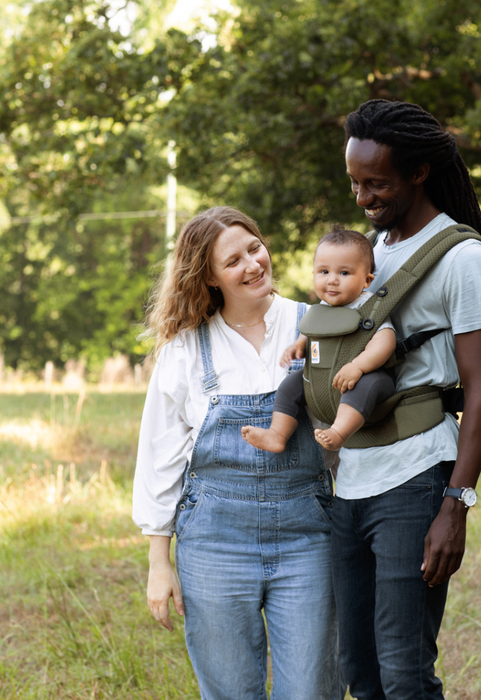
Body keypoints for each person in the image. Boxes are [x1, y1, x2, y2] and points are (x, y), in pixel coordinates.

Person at [132, 206, 342, 700]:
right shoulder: (185, 349)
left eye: (255, 248)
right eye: (233, 261)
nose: (252, 265)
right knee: (229, 691)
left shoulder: (316, 324)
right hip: (214, 541)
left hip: (308, 533)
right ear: (208, 276)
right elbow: (159, 456)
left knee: (314, 688)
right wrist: (159, 563)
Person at [331, 99, 481, 700]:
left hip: (417, 476)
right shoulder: (368, 255)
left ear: (420, 172)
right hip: (351, 477)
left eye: (376, 183)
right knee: (358, 668)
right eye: (354, 182)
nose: (362, 198)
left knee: (404, 671)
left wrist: (455, 504)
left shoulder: (463, 259)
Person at [241, 226, 396, 454]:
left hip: (370, 378)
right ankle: (277, 434)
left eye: (344, 273)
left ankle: (339, 433)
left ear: (366, 280)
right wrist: (298, 345)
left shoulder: (369, 307)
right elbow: (313, 330)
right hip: (324, 378)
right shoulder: (321, 309)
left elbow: (386, 341)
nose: (332, 280)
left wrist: (358, 366)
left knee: (363, 387)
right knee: (291, 385)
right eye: (324, 272)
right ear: (313, 274)